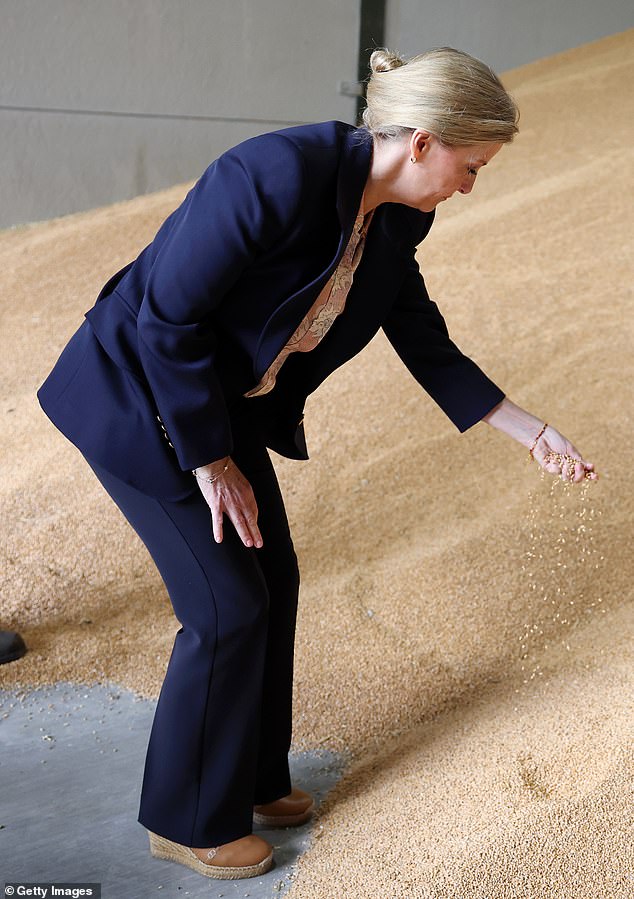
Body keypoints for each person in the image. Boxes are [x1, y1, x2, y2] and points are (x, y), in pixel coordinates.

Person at [37, 46, 596, 880]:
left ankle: (254, 779)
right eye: (471, 165)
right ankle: (188, 818)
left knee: (274, 577)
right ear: (422, 142)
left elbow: (418, 329)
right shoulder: (271, 173)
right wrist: (212, 459)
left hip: (213, 410)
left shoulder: (399, 216)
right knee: (226, 604)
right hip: (134, 394)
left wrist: (526, 428)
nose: (471, 184)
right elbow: (165, 321)